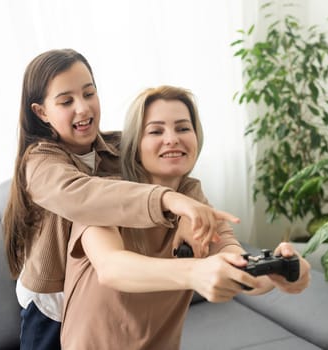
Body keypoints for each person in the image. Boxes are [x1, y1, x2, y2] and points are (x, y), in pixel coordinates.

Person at [3, 49, 239, 350]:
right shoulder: (38, 163)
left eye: (89, 93)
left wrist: (188, 202)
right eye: (66, 101)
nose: (83, 108)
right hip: (50, 309)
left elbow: (167, 169)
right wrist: (170, 202)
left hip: (99, 307)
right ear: (41, 112)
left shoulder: (117, 149)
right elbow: (85, 195)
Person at [61, 85, 311, 349]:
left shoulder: (198, 206)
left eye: (182, 128)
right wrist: (194, 272)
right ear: (135, 145)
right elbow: (112, 268)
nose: (172, 139)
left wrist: (278, 272)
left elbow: (237, 266)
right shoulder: (104, 195)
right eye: (156, 131)